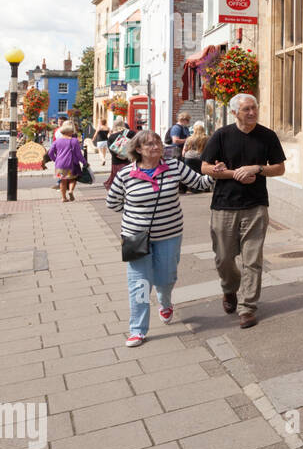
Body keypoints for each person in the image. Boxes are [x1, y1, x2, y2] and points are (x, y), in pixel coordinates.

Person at [106, 129, 213, 347]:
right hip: (136, 238)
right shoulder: (126, 174)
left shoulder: (174, 166)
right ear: (138, 149)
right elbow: (113, 203)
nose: (156, 147)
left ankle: (165, 303)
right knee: (140, 283)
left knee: (167, 278)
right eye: (149, 144)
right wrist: (136, 214)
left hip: (169, 234)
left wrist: (216, 173)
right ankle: (137, 329)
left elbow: (200, 183)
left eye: (157, 143)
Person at [201, 94, 286, 329]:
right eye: (246, 109)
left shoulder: (267, 136)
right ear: (234, 113)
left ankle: (247, 307)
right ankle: (229, 289)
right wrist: (231, 173)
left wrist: (257, 168)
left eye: (254, 108)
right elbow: (205, 166)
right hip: (224, 206)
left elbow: (279, 168)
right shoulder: (221, 135)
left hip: (256, 206)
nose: (252, 112)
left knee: (252, 260)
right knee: (224, 258)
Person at [46, 122, 88, 203]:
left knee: (62, 181)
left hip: (60, 164)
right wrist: (84, 162)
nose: (73, 133)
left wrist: (55, 159)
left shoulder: (56, 141)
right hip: (72, 163)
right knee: (73, 179)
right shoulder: (74, 141)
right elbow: (79, 155)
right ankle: (71, 190)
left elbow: (50, 153)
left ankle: (63, 198)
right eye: (72, 131)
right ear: (69, 132)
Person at [105, 116, 135, 190]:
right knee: (129, 179)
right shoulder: (131, 133)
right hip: (129, 160)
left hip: (116, 162)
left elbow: (111, 150)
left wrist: (119, 155)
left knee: (118, 180)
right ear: (123, 125)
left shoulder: (111, 137)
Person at [181, 122, 208, 193]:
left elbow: (184, 151)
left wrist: (184, 156)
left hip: (189, 158)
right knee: (201, 173)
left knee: (191, 174)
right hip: (201, 158)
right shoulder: (206, 138)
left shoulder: (189, 138)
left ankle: (192, 189)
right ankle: (202, 187)